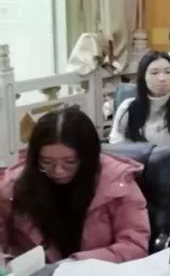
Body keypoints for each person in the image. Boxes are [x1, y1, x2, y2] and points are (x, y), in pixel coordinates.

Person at [0, 107, 150, 263]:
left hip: (100, 275)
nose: (58, 171)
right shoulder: (14, 187)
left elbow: (135, 246)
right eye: (47, 162)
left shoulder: (117, 183)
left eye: (69, 162)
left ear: (87, 157)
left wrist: (75, 263)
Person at [110, 52, 170, 158]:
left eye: (168, 72)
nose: (162, 78)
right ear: (143, 77)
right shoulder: (127, 107)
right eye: (154, 73)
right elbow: (116, 141)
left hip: (168, 165)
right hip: (133, 164)